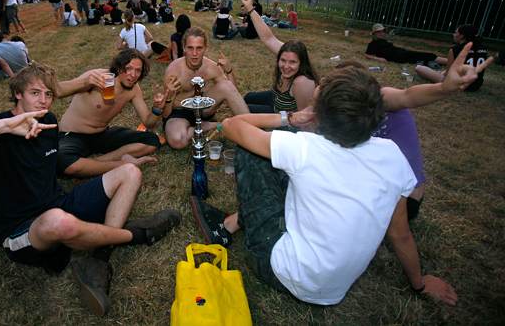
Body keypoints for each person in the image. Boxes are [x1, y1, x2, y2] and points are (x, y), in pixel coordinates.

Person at [0, 62, 182, 317]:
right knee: (56, 221)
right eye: (35, 93)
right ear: (18, 93)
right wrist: (1, 127)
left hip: (57, 204)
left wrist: (114, 163)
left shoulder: (48, 122)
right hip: (20, 229)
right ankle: (135, 235)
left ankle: (101, 255)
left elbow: (58, 168)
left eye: (49, 94)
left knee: (129, 172)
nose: (43, 100)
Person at [190, 65, 458, 307]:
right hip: (335, 289)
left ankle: (226, 227)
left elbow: (231, 125)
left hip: (281, 269)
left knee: (252, 151)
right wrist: (419, 283)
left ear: (320, 112)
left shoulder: (306, 147)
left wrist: (290, 119)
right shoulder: (392, 154)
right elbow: (400, 234)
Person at [56, 49, 177, 178]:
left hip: (101, 135)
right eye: (128, 68)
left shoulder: (134, 90)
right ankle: (111, 164)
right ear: (119, 68)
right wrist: (85, 82)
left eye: (138, 70)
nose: (133, 74)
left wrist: (157, 109)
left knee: (152, 140)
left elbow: (149, 123)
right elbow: (58, 91)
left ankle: (94, 163)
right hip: (73, 135)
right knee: (63, 162)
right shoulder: (98, 78)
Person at [161, 26, 249, 149]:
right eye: (190, 48)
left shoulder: (210, 66)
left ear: (205, 48)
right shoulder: (174, 71)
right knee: (177, 141)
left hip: (202, 106)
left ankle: (250, 128)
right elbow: (165, 114)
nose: (195, 54)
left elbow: (232, 90)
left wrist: (229, 70)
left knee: (226, 85)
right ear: (184, 48)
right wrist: (169, 96)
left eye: (199, 48)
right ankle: (206, 126)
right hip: (179, 112)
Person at [241, 0, 318, 114]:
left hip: (279, 113)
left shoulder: (302, 82)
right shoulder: (288, 54)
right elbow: (268, 38)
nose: (286, 66)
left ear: (301, 62)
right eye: (283, 60)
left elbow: (303, 120)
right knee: (246, 98)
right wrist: (250, 9)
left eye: (293, 62)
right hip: (276, 98)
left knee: (242, 110)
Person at [415, 24, 488, 91]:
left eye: (456, 33)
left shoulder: (455, 50)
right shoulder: (482, 49)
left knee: (419, 68)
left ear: (462, 36)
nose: (454, 35)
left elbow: (449, 74)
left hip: (458, 85)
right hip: (476, 85)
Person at [366, 24, 447, 65]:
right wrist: (377, 59)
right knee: (427, 56)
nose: (381, 34)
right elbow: (367, 55)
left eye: (382, 32)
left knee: (422, 57)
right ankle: (449, 61)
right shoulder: (373, 43)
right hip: (397, 56)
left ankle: (447, 61)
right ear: (374, 33)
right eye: (379, 32)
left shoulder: (383, 41)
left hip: (401, 53)